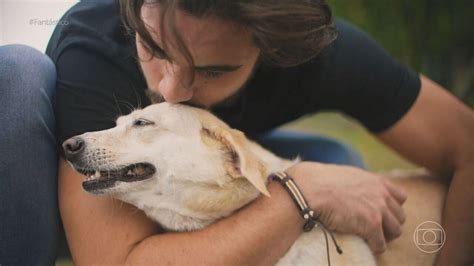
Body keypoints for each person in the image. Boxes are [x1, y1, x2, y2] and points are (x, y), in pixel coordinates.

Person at [1, 0, 472, 265]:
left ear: (273, 54)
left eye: (211, 71)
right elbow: (116, 262)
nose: (171, 90)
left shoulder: (318, 52)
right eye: (154, 49)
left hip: (221, 159)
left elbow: (467, 145)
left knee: (336, 154)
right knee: (16, 75)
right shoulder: (95, 48)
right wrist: (300, 193)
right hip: (62, 202)